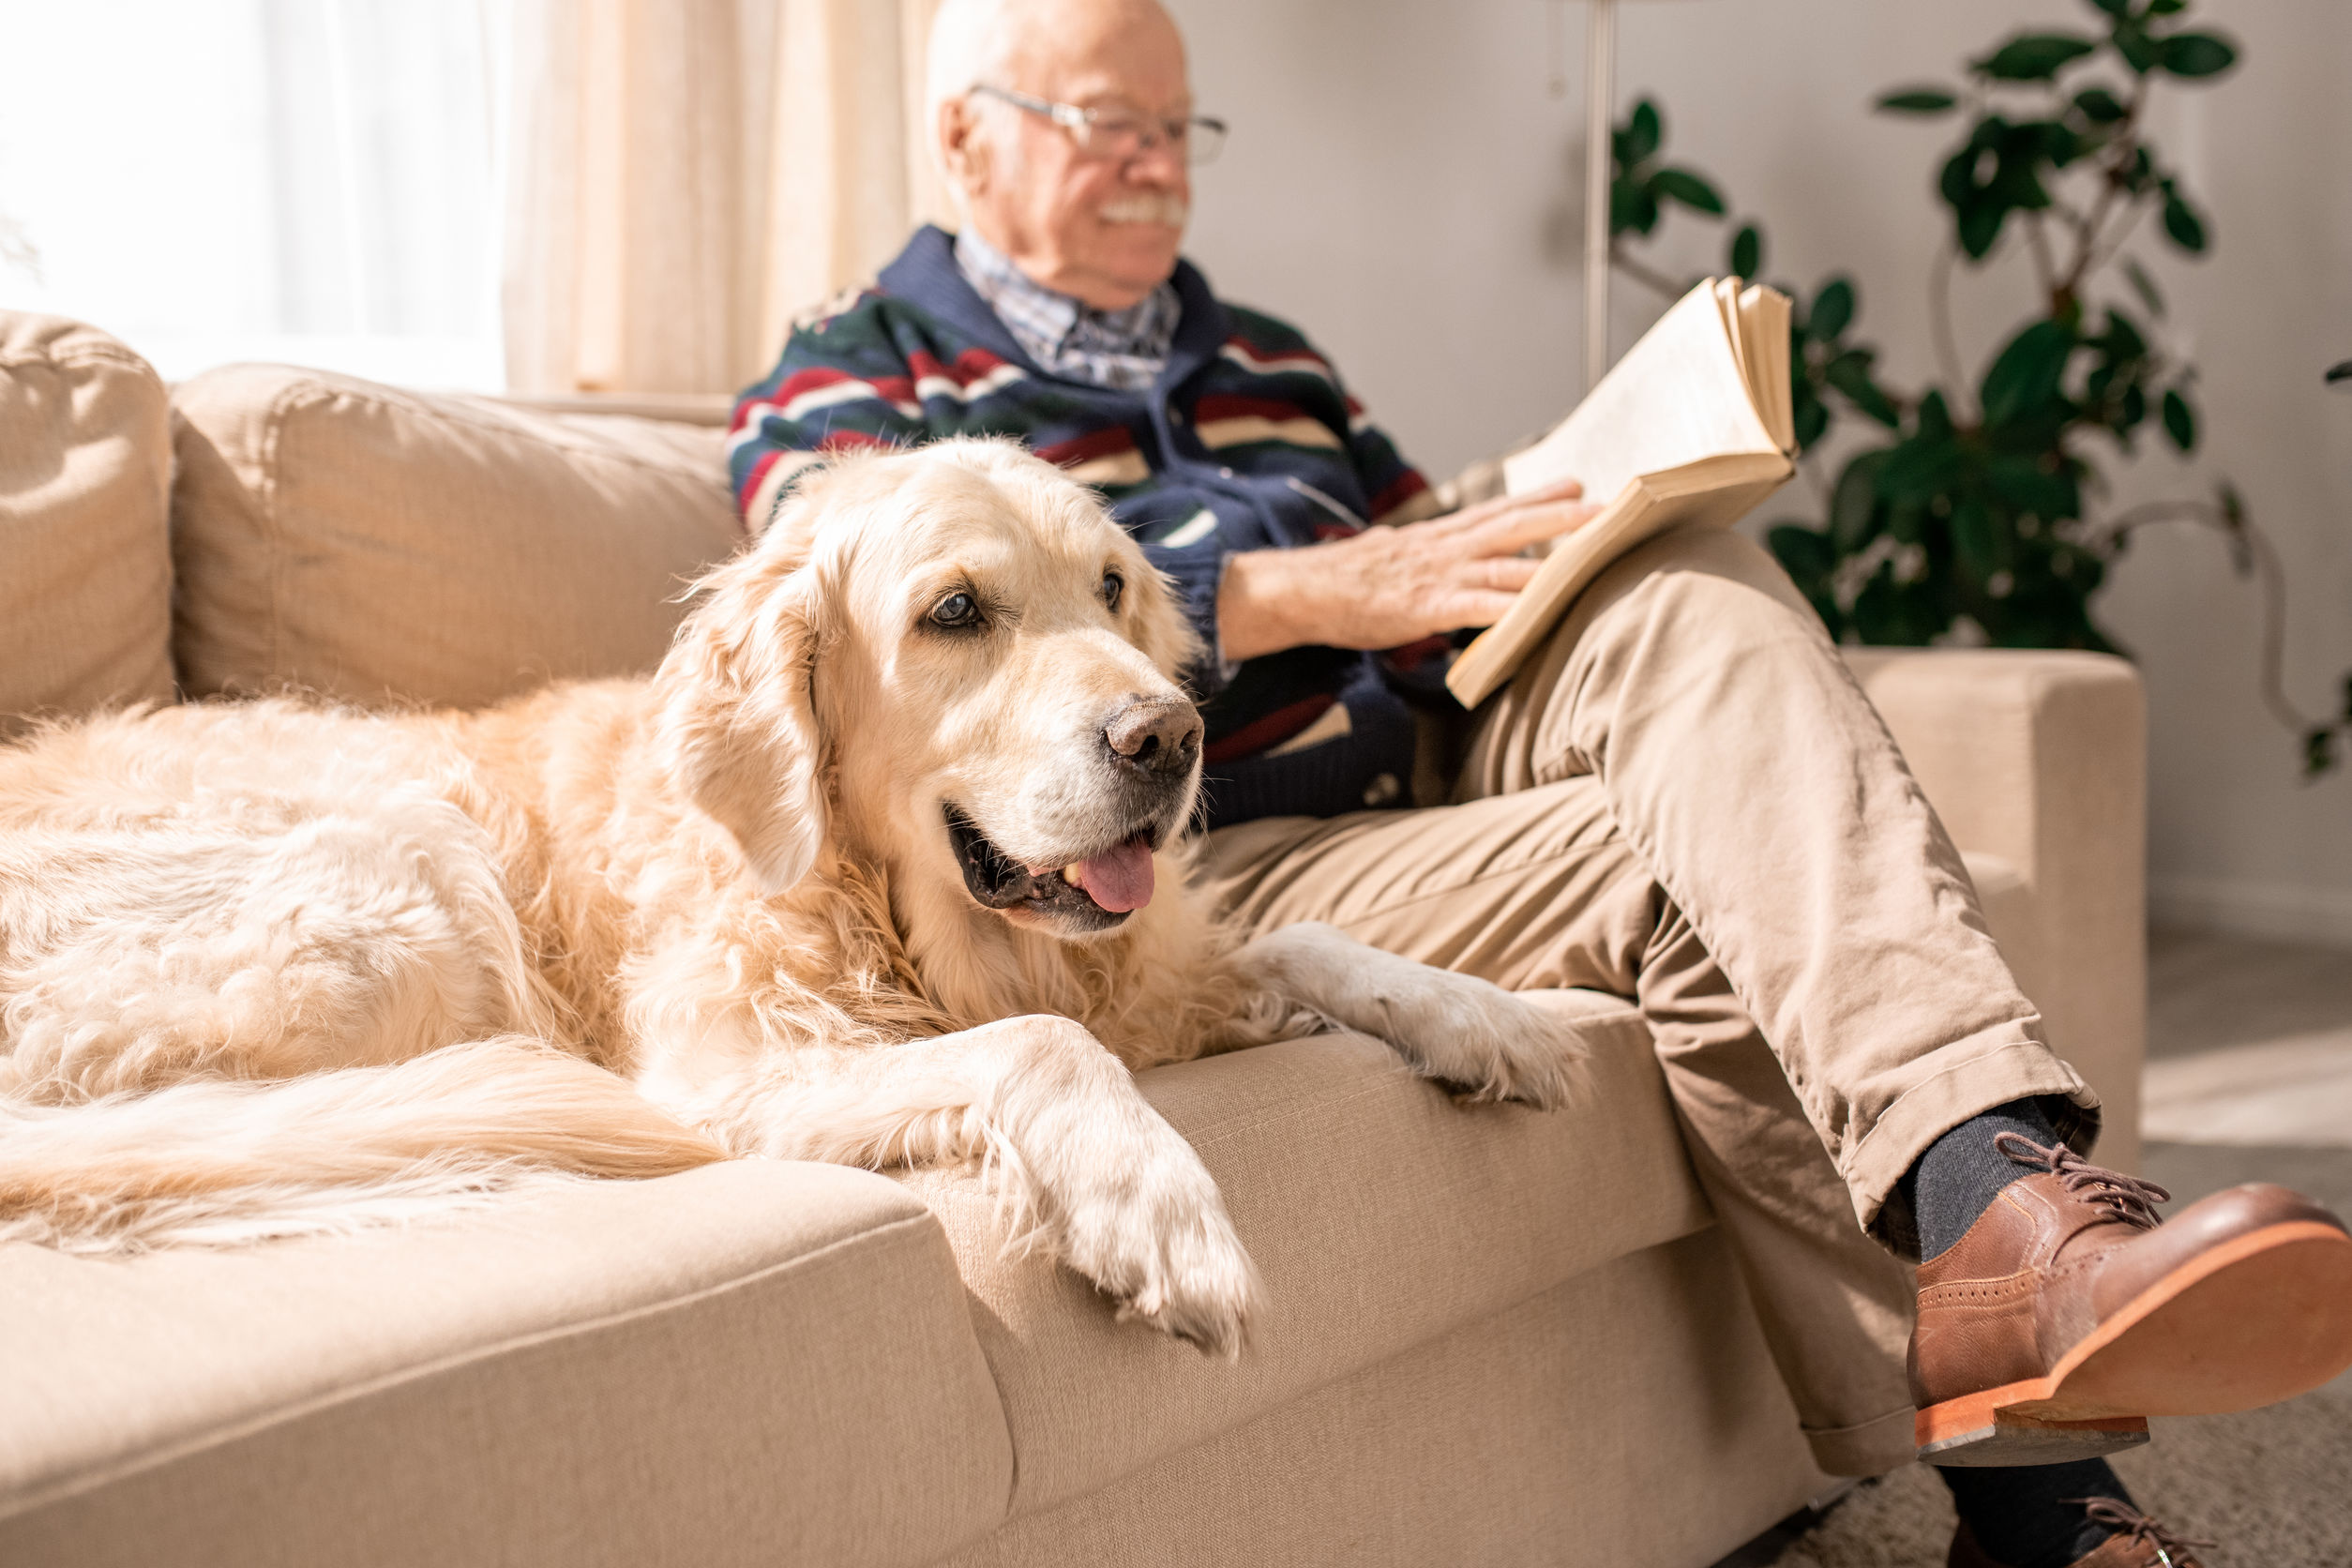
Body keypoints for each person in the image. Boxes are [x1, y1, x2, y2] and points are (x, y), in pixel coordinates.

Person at [727, 1, 2352, 1561]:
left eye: (1177, 124)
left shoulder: (1272, 358)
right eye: (1107, 125)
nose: (1156, 160)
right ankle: (2037, 1510)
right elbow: (842, 577)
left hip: (1436, 741)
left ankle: (2001, 1197)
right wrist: (1301, 592)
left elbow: (1434, 568)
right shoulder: (857, 368)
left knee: (1699, 589)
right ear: (966, 137)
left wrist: (1572, 533)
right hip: (1255, 843)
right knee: (1707, 879)